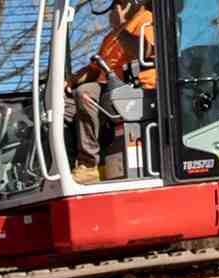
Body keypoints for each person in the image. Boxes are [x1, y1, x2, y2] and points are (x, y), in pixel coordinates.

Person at [65, 0, 157, 183]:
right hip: (110, 92)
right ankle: (68, 163)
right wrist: (68, 82)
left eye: (118, 4)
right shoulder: (110, 38)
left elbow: (145, 51)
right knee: (65, 106)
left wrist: (119, 27)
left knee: (85, 94)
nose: (114, 9)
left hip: (137, 89)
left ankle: (89, 164)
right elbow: (94, 69)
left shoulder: (146, 19)